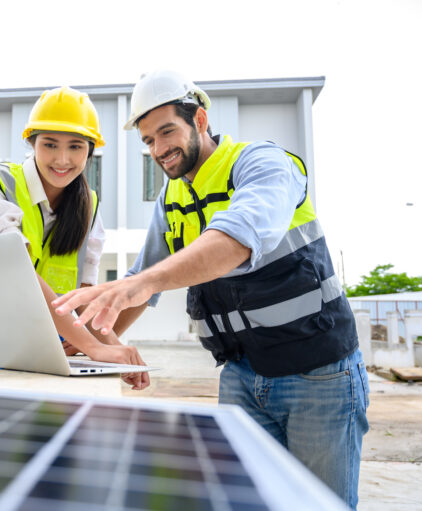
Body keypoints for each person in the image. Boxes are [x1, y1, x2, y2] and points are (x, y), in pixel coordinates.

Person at [52, 70, 368, 508]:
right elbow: (143, 283)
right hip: (241, 374)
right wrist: (96, 347)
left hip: (318, 372)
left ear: (199, 120)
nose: (159, 149)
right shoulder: (171, 198)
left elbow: (235, 239)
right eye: (148, 141)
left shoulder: (262, 164)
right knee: (249, 500)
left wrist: (139, 283)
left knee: (318, 504)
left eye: (167, 132)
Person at [0, 86, 150, 390]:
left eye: (76, 146)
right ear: (31, 142)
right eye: (50, 144)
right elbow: (19, 272)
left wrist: (114, 349)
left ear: (90, 151)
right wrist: (95, 348)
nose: (62, 159)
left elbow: (82, 300)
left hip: (28, 352)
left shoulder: (89, 209)